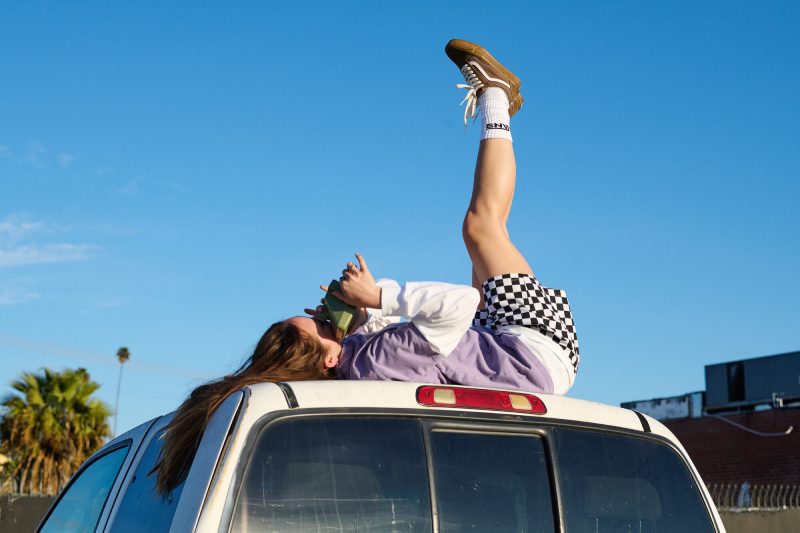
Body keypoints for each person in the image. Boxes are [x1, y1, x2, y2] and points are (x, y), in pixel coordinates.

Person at [153, 39, 579, 495]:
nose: (325, 315)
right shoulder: (372, 359)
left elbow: (420, 350)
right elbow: (460, 303)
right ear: (329, 358)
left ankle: (499, 107)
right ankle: (495, 96)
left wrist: (362, 317)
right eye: (323, 325)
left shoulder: (360, 366)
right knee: (480, 226)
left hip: (507, 353)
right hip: (529, 349)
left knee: (492, 227)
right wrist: (377, 297)